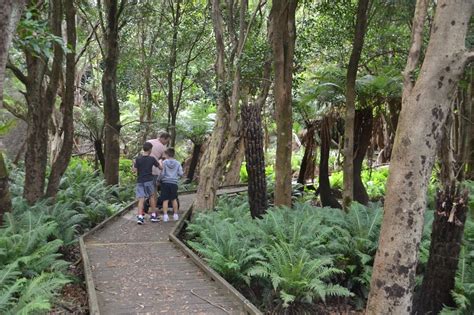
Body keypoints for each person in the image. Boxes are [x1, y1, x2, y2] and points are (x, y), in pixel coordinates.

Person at [132, 142, 160, 224]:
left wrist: (134, 164)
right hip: (149, 180)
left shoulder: (138, 159)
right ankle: (153, 216)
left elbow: (134, 171)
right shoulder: (152, 159)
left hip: (140, 181)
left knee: (141, 199)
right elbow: (160, 167)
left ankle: (140, 217)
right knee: (151, 197)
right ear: (150, 149)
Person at [158, 148, 183, 222]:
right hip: (174, 183)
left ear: (167, 154)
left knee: (165, 199)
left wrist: (159, 179)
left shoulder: (164, 162)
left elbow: (162, 173)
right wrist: (176, 175)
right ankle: (175, 215)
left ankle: (165, 216)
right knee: (174, 199)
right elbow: (181, 173)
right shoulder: (178, 163)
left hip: (165, 183)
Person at [147, 132, 171, 206]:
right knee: (154, 189)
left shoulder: (148, 142)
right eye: (166, 141)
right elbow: (164, 159)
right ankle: (153, 209)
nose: (166, 143)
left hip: (144, 170)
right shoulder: (162, 147)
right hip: (154, 170)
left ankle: (143, 208)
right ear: (163, 138)